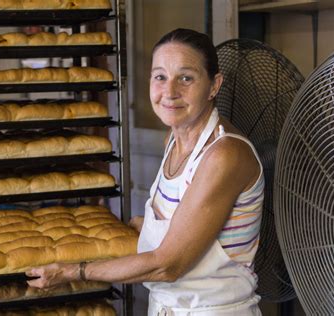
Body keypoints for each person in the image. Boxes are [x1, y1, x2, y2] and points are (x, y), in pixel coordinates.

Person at [26, 28, 264, 315]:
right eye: (160, 77)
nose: (170, 92)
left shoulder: (224, 155)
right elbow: (187, 222)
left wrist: (73, 271)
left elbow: (168, 264)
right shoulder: (173, 139)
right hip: (167, 306)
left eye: (186, 78)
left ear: (214, 85)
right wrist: (149, 226)